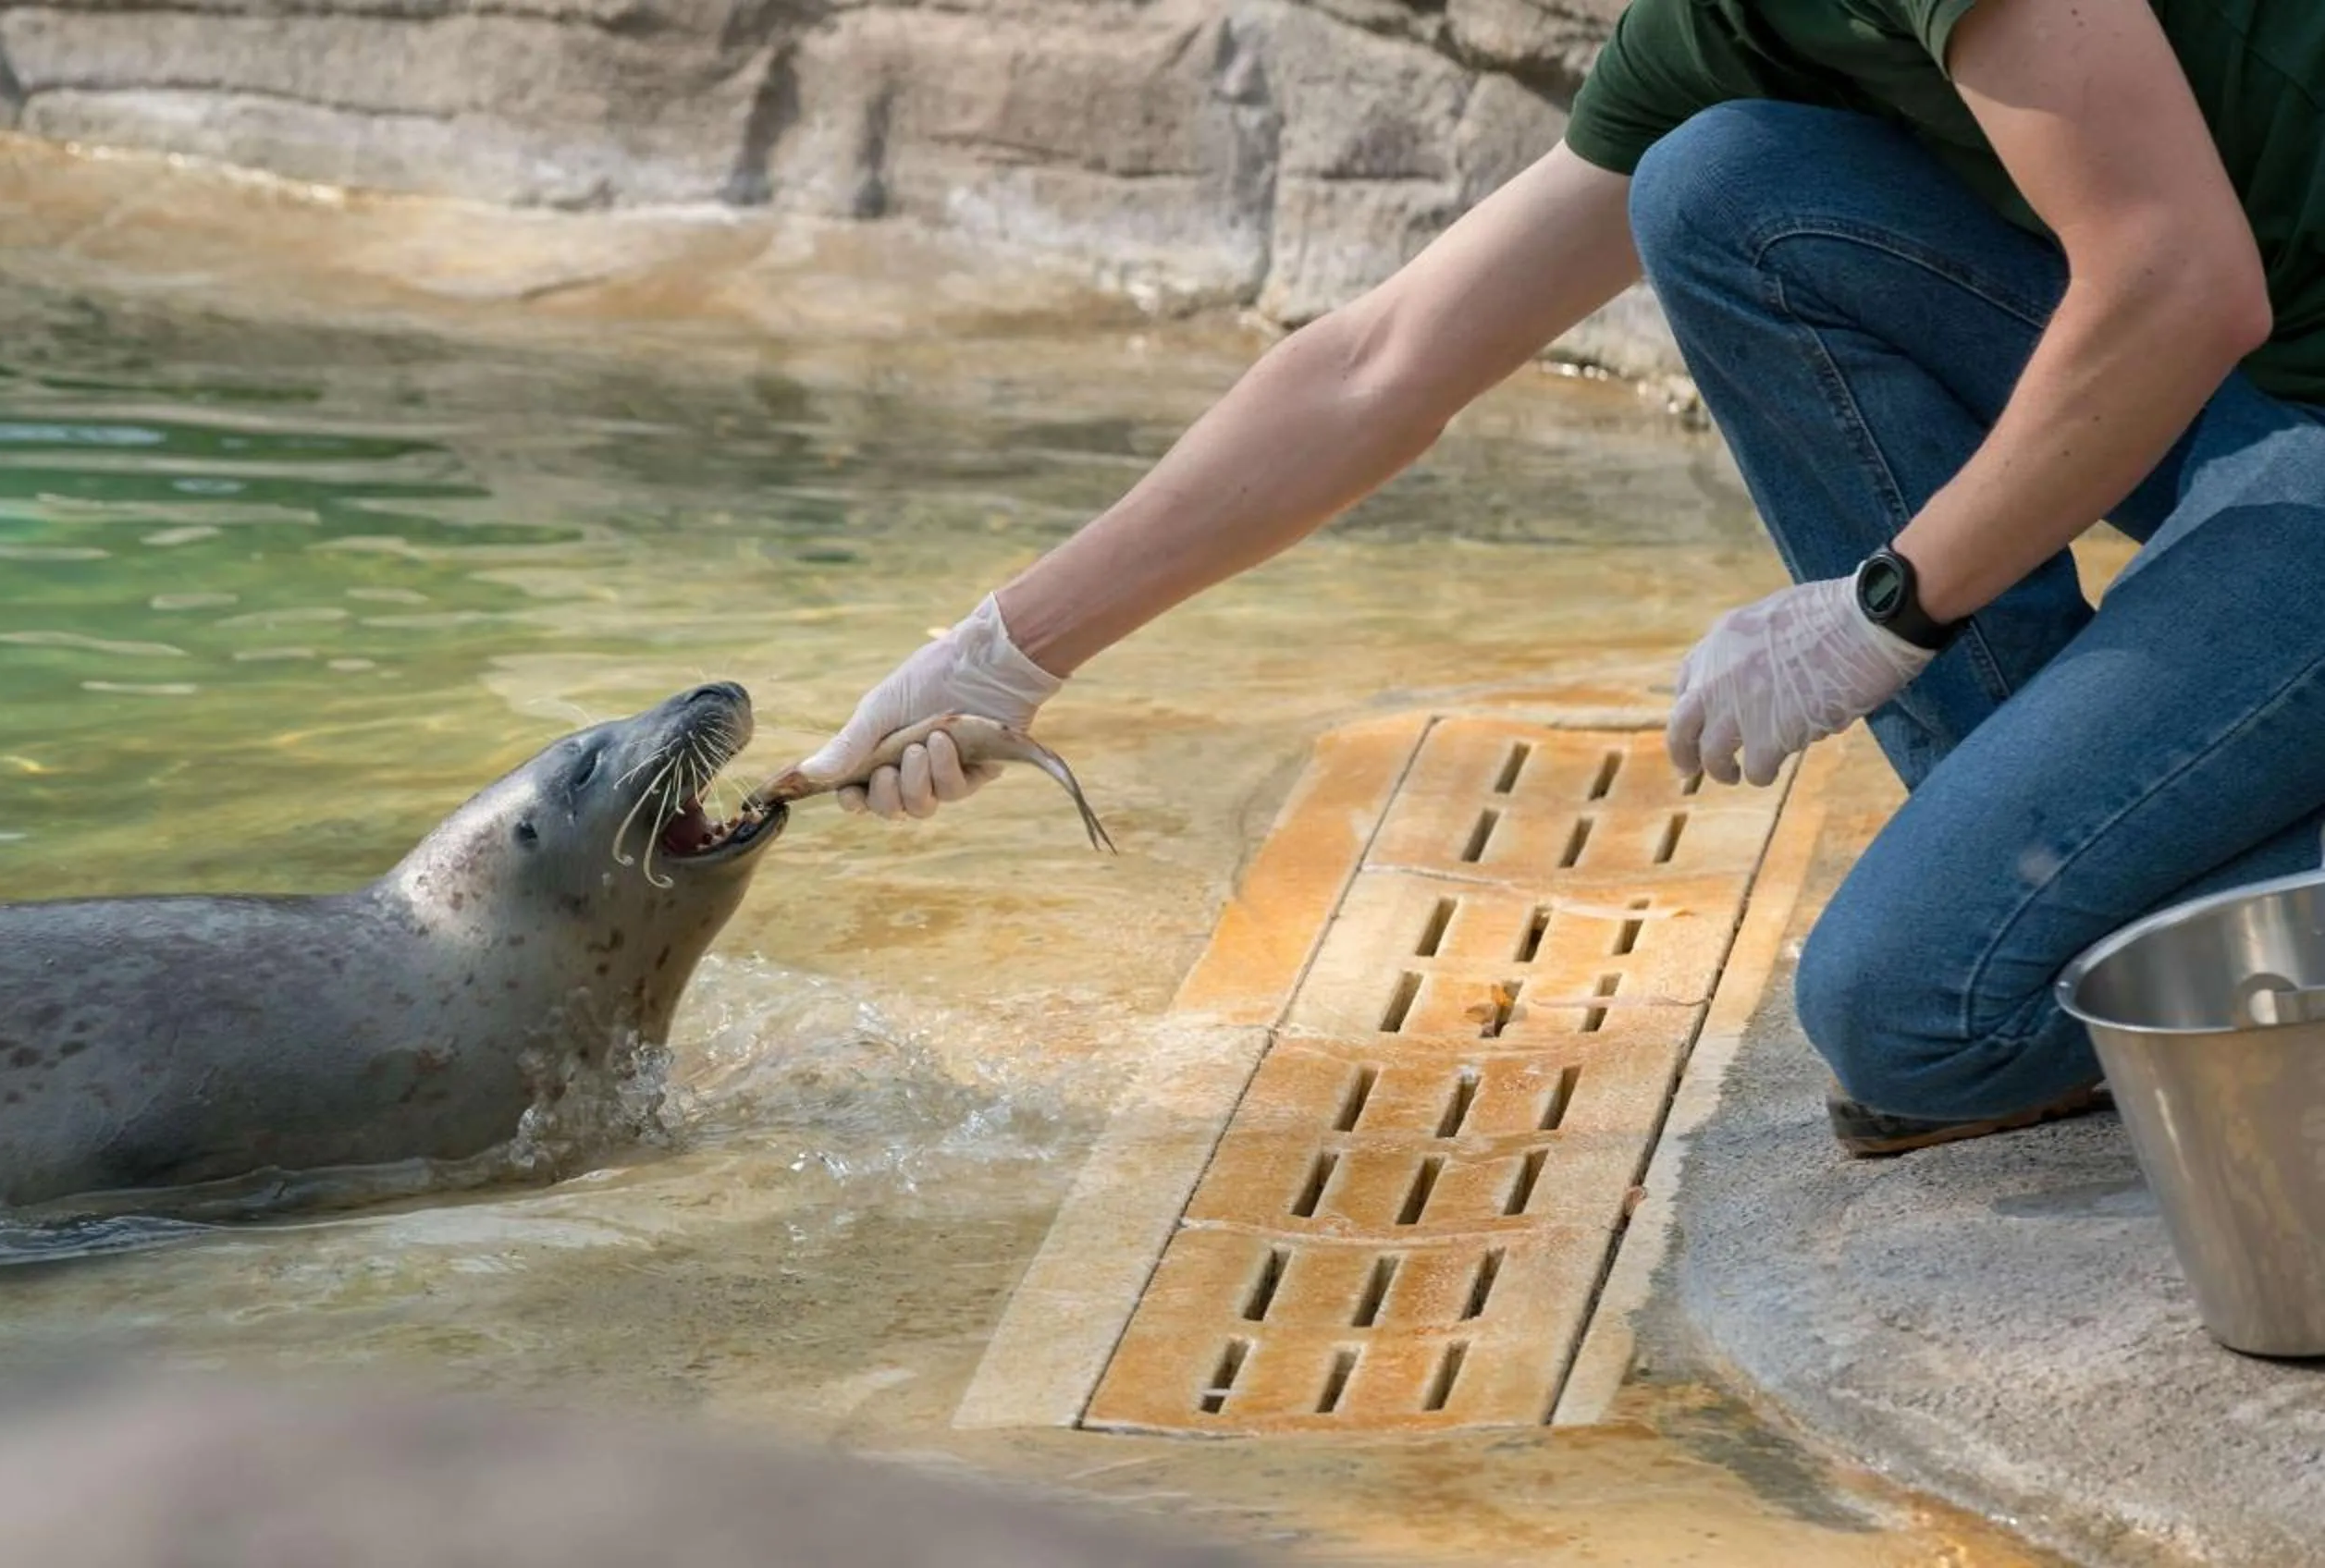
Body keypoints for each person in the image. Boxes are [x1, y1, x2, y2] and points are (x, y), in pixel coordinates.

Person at [793, 0, 2325, 1157]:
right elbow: (1377, 363)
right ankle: (2060, 847)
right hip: (2260, 404)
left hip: (2272, 400)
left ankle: (2028, 918)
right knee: (1721, 184)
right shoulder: (1721, 25)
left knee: (1918, 1016)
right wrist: (1002, 652)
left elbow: (2179, 281)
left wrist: (1888, 604)